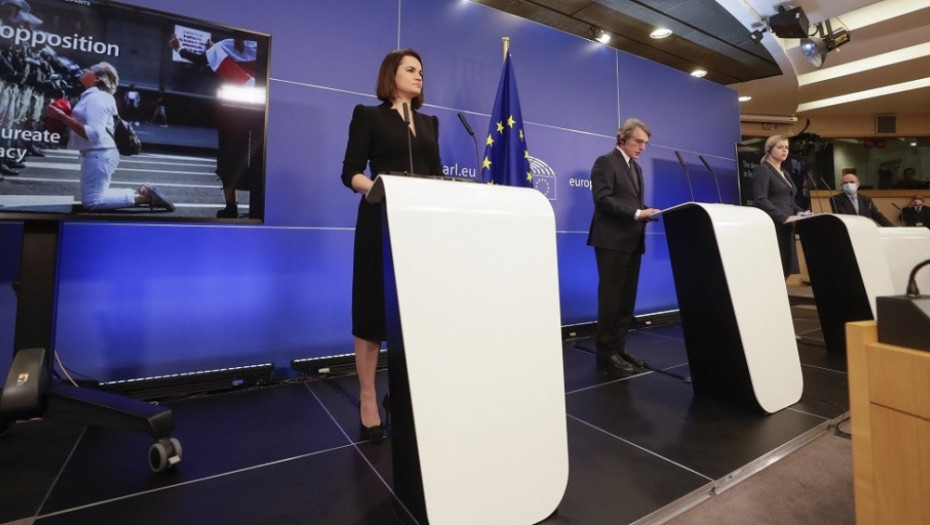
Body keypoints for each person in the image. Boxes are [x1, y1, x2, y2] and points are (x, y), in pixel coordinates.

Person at [340, 49, 442, 441]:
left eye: (422, 71)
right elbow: (350, 172)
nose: (419, 76)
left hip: (420, 229)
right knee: (372, 311)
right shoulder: (369, 116)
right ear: (391, 75)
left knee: (415, 313)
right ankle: (368, 397)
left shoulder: (430, 123)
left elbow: (436, 174)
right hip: (380, 222)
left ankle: (403, 396)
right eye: (411, 69)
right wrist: (382, 189)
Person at [46, 62, 173, 212]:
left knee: (93, 202)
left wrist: (61, 116)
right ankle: (142, 193)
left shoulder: (97, 98)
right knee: (96, 197)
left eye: (90, 69)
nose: (85, 69)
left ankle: (146, 198)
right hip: (98, 154)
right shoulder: (93, 96)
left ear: (96, 79)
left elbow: (93, 134)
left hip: (99, 154)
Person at [587, 118, 660, 374]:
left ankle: (620, 347)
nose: (642, 147)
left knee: (627, 301)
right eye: (638, 141)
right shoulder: (605, 162)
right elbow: (602, 199)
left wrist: (646, 211)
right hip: (611, 241)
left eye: (645, 143)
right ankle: (606, 353)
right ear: (622, 137)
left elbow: (632, 203)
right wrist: (637, 213)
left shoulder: (636, 168)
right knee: (611, 300)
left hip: (632, 241)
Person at [169, 33, 262, 218]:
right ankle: (258, 205)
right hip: (260, 110)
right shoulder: (265, 49)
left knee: (229, 156)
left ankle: (231, 207)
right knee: (259, 156)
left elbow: (200, 59)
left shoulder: (226, 45)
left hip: (233, 111)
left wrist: (179, 48)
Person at [750, 134, 806, 279]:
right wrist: (783, 217)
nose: (785, 150)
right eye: (780, 147)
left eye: (786, 147)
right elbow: (760, 199)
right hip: (774, 225)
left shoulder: (785, 173)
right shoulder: (763, 170)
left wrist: (802, 213)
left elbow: (789, 200)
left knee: (786, 267)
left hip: (787, 227)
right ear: (769, 149)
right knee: (777, 267)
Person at [828, 169, 894, 226]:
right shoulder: (835, 199)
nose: (849, 184)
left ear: (858, 184)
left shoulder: (866, 199)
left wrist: (893, 228)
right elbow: (843, 216)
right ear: (841, 185)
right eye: (845, 183)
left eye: (852, 182)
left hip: (864, 230)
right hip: (848, 231)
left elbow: (877, 215)